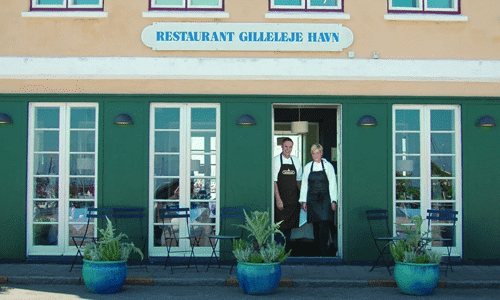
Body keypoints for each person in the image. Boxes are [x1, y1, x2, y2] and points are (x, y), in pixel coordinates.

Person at [299, 144, 338, 257]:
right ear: (311, 154)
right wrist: (303, 201)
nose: (316, 155)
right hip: (312, 199)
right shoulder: (307, 167)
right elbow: (305, 185)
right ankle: (317, 250)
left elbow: (332, 184)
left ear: (321, 153)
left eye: (318, 152)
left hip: (325, 199)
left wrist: (333, 200)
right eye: (313, 153)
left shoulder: (328, 166)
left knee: (324, 223)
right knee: (316, 225)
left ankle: (324, 251)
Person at [273, 137, 302, 249]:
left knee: (290, 226)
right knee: (279, 226)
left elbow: (298, 181)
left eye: (290, 147)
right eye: (286, 146)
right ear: (282, 147)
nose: (288, 149)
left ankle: (286, 251)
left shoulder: (296, 160)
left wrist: (302, 198)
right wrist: (278, 199)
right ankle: (277, 250)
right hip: (281, 199)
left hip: (293, 200)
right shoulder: (276, 160)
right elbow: (274, 182)